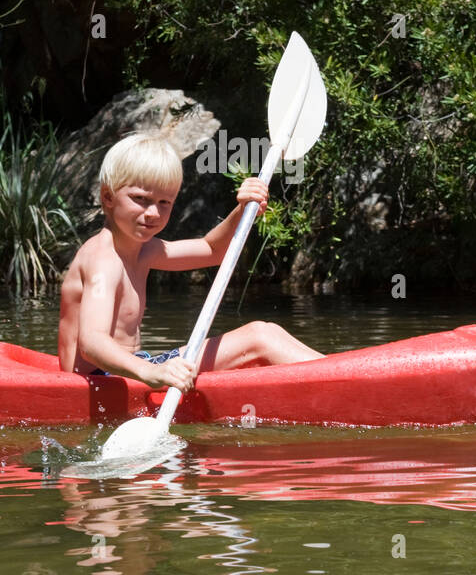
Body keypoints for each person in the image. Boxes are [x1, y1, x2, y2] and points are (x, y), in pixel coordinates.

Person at [58, 133, 323, 391]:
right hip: (101, 382)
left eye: (164, 202)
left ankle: (341, 372)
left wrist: (243, 210)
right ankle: (344, 378)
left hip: (129, 371)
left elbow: (211, 250)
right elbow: (91, 343)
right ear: (108, 198)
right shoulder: (103, 259)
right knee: (259, 338)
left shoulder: (144, 250)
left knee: (267, 333)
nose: (152, 213)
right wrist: (152, 372)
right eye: (140, 199)